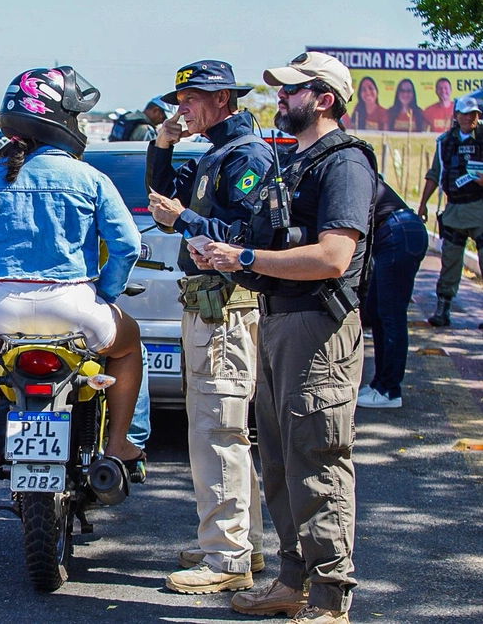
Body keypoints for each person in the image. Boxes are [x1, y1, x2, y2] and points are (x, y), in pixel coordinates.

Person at [197, 51, 375, 624]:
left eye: (292, 91)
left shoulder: (343, 163)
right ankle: (292, 581)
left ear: (324, 100)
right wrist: (230, 261)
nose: (279, 98)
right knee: (278, 463)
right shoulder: (296, 161)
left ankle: (329, 601)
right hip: (278, 319)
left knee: (317, 462)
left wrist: (243, 255)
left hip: (317, 328)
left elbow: (332, 256)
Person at [0, 65, 144, 477]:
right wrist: (106, 294)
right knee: (129, 346)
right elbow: (127, 245)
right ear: (62, 120)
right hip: (74, 306)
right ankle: (118, 445)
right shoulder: (89, 177)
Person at [145, 59, 271, 595]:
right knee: (216, 430)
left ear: (223, 99)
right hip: (207, 305)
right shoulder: (215, 153)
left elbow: (245, 234)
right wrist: (162, 145)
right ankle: (240, 541)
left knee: (218, 431)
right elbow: (160, 206)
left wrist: (185, 221)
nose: (182, 108)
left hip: (228, 307)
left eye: (191, 98)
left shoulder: (246, 155)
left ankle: (227, 557)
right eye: (179, 99)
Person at [357, 185, 428, 408]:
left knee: (391, 315)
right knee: (376, 309)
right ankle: (380, 382)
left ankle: (389, 390)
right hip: (398, 231)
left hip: (398, 232)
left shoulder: (348, 168)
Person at [417, 95, 483, 327]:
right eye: (464, 114)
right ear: (456, 116)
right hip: (454, 209)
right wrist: (423, 203)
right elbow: (435, 174)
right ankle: (442, 310)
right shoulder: (445, 142)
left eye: (473, 114)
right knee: (450, 261)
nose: (469, 118)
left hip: (480, 210)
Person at [109, 97, 176, 142]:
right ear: (155, 110)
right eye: (164, 118)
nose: (162, 122)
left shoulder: (126, 118)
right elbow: (151, 157)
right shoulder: (146, 130)